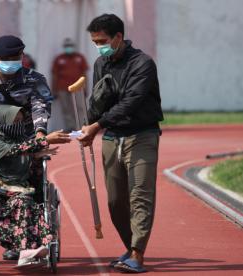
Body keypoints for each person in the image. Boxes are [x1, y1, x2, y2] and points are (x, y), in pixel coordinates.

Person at [0, 35, 65, 260]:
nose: (11, 61)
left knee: (33, 190)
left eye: (15, 57)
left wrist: (40, 133)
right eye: (5, 58)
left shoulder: (35, 79)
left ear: (22, 56)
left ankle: (23, 241)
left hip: (27, 140)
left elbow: (40, 107)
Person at [78, 14, 163, 273]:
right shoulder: (99, 63)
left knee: (140, 195)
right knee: (116, 201)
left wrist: (97, 125)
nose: (98, 46)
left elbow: (130, 103)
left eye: (102, 40)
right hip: (112, 137)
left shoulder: (143, 64)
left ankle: (137, 254)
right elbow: (97, 102)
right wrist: (89, 125)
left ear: (118, 37)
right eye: (94, 42)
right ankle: (130, 246)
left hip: (141, 136)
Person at [0, 105, 70, 267]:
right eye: (15, 121)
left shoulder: (24, 142)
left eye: (21, 121)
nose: (19, 125)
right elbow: (11, 150)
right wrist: (44, 140)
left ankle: (26, 250)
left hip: (18, 190)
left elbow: (29, 168)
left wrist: (35, 158)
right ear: (2, 121)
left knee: (25, 201)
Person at [51, 38, 89, 131]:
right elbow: (54, 75)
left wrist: (85, 87)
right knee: (66, 109)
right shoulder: (59, 59)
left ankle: (81, 127)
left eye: (70, 46)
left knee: (80, 107)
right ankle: (70, 127)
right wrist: (54, 90)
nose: (69, 48)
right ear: (64, 47)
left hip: (78, 88)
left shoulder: (80, 57)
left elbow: (84, 74)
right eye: (67, 46)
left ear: (73, 47)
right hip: (62, 88)